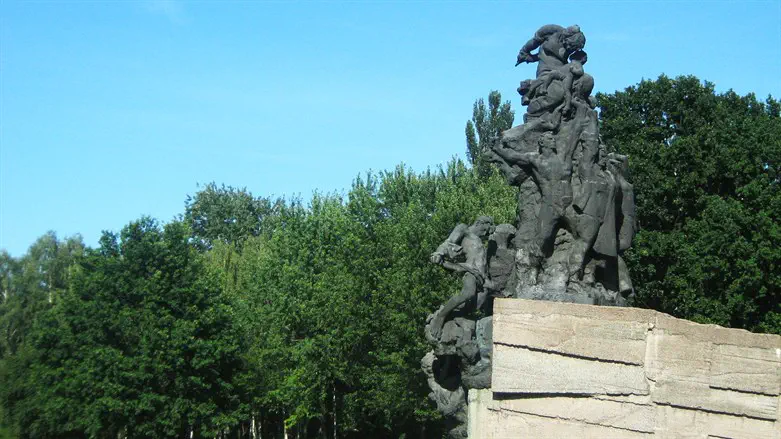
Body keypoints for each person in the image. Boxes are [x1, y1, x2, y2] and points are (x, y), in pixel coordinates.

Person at [428, 216, 494, 339]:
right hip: (470, 270)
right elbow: (448, 242)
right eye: (485, 230)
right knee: (468, 293)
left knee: (478, 304)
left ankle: (455, 317)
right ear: (479, 223)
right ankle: (441, 316)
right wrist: (438, 253)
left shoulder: (480, 241)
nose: (486, 233)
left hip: (482, 277)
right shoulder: (464, 229)